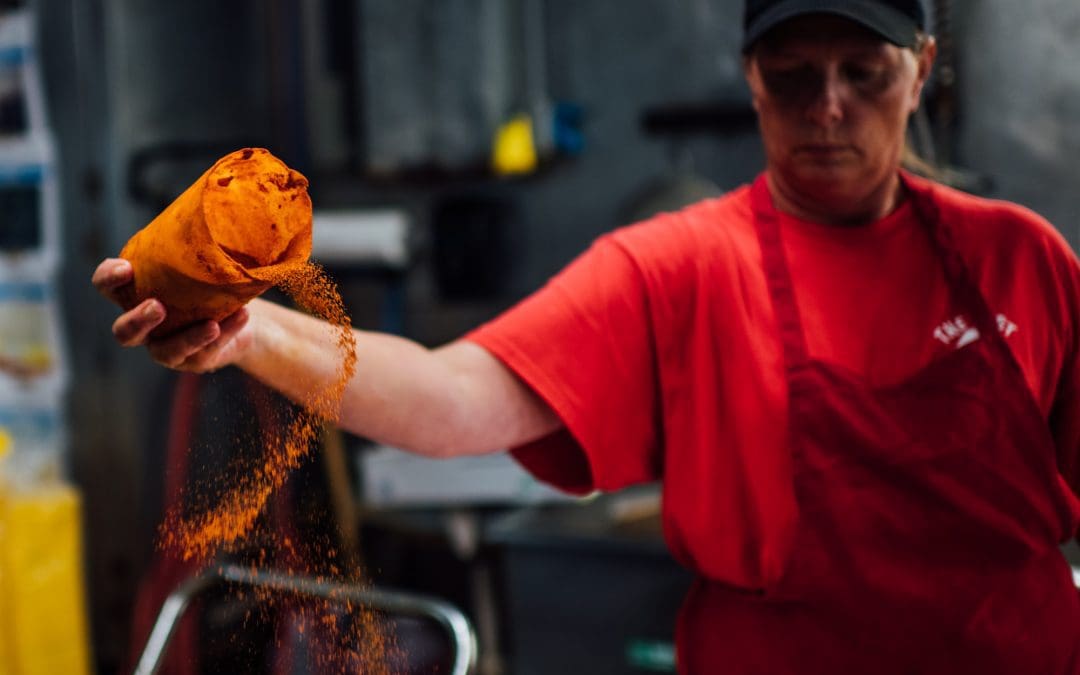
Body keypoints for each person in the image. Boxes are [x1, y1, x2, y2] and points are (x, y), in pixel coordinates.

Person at [95, 0, 1080, 671]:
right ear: (749, 77)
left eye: (864, 73)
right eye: (792, 76)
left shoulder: (1018, 260)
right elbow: (448, 400)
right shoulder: (684, 265)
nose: (827, 108)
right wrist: (253, 331)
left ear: (923, 70)